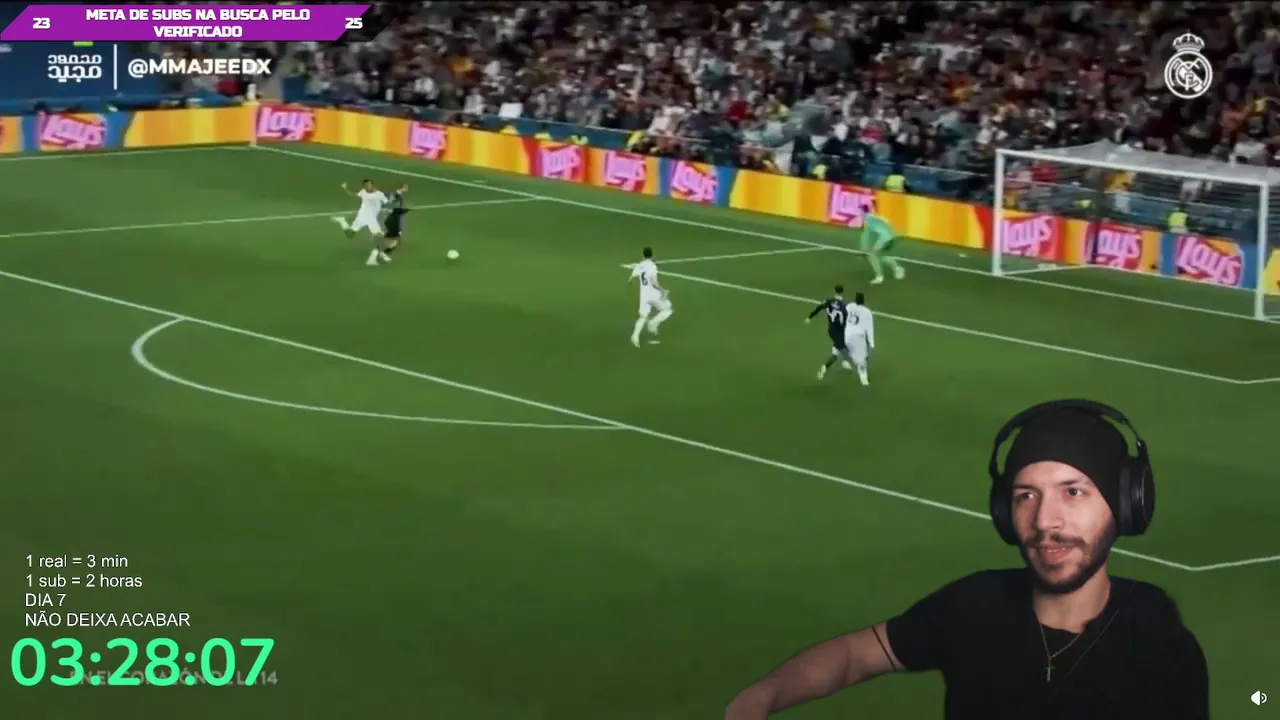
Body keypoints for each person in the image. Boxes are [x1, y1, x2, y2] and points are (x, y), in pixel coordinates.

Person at [725, 400, 1209, 720]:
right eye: (1025, 496)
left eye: (1073, 492)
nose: (1045, 521)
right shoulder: (974, 604)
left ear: (1125, 504)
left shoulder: (1158, 647)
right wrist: (759, 698)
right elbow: (853, 656)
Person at [332, 179, 388, 266]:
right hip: (362, 217)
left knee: (380, 238)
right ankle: (342, 221)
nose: (368, 186)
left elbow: (387, 202)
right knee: (350, 235)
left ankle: (376, 256)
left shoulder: (379, 194)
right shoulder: (363, 192)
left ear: (372, 185)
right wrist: (345, 189)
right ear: (364, 186)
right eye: (366, 185)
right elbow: (352, 194)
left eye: (369, 184)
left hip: (372, 219)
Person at [805, 284, 854, 380]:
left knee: (837, 352)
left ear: (834, 291)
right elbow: (845, 321)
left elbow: (819, 307)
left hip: (831, 330)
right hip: (840, 333)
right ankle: (829, 366)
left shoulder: (829, 302)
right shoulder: (844, 307)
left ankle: (835, 364)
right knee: (845, 351)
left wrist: (810, 317)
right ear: (842, 292)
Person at [628, 246, 673, 347]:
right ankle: (653, 323)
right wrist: (663, 291)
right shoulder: (652, 266)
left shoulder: (639, 266)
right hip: (653, 294)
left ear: (643, 255)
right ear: (652, 255)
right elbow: (654, 282)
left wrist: (639, 283)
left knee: (643, 316)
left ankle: (634, 337)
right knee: (667, 309)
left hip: (644, 295)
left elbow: (630, 279)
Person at [861, 210, 906, 285]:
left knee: (872, 254)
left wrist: (864, 250)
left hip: (885, 238)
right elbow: (888, 227)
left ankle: (879, 277)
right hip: (892, 238)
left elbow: (866, 236)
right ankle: (897, 268)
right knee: (878, 256)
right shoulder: (879, 218)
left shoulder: (869, 221)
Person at [844, 292, 874, 386]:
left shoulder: (849, 306)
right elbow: (869, 328)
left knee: (851, 351)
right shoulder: (867, 312)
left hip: (847, 335)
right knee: (862, 360)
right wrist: (871, 342)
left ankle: (847, 361)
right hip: (858, 337)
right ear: (863, 301)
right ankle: (863, 378)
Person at [382, 183, 409, 258]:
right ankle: (386, 251)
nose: (406, 189)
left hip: (391, 220)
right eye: (405, 187)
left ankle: (393, 242)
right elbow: (397, 210)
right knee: (395, 237)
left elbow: (398, 192)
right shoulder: (397, 200)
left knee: (398, 232)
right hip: (392, 221)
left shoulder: (395, 197)